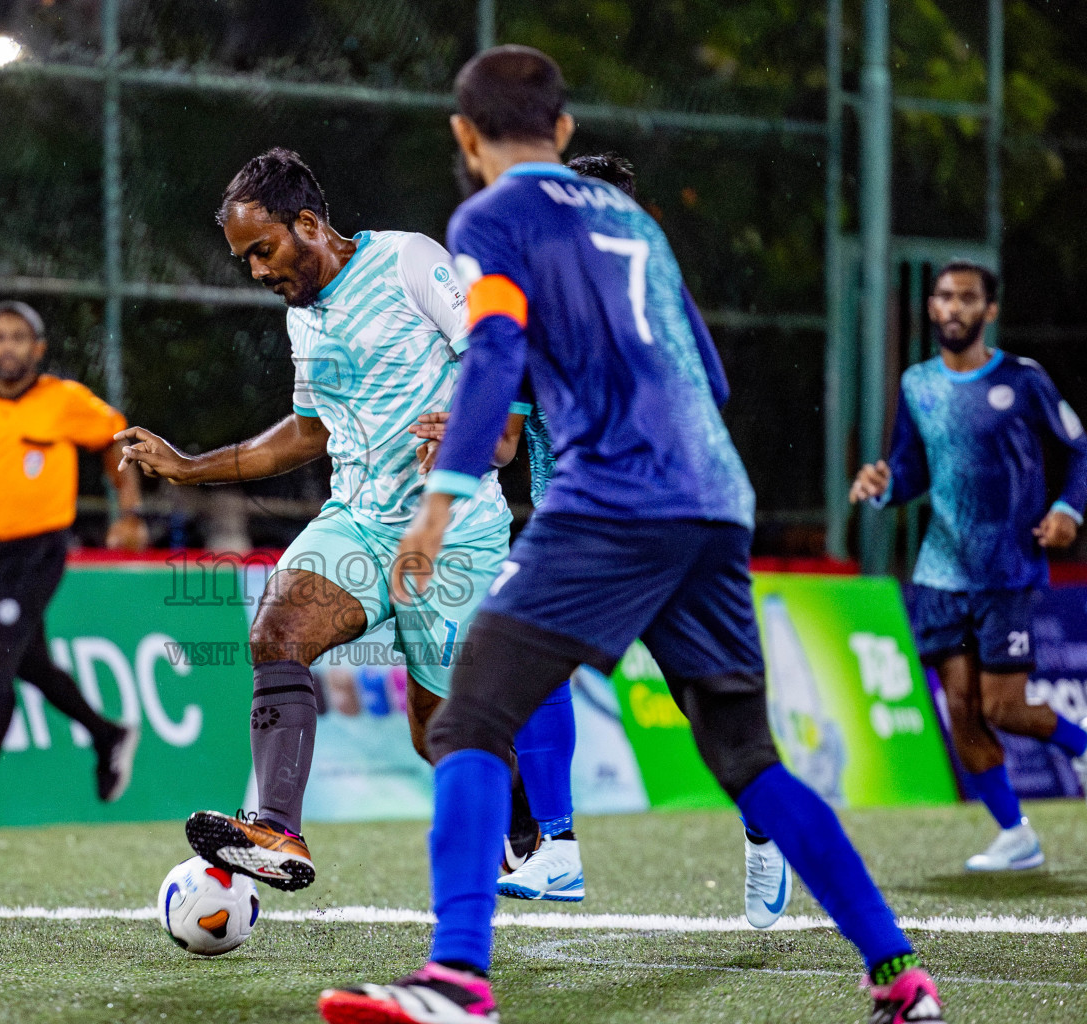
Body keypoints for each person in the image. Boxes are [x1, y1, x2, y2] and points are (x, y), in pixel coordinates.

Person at [319, 46, 942, 1024]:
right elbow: (712, 379)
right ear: (564, 130)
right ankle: (900, 975)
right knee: (746, 756)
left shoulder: (491, 217)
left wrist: (439, 498)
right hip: (714, 500)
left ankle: (456, 976)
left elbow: (493, 350)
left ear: (463, 134)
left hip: (614, 497)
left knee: (471, 715)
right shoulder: (635, 219)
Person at [116, 147, 519, 892]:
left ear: (308, 223)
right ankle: (278, 829)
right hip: (360, 524)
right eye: (244, 261)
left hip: (452, 533)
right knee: (277, 631)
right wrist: (191, 466)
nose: (258, 272)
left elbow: (496, 356)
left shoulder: (408, 262)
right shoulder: (306, 320)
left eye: (262, 251)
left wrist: (490, 435)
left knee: (441, 734)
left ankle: (527, 828)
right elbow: (309, 432)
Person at [408, 151, 792, 923]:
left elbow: (708, 387)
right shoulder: (533, 293)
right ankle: (556, 851)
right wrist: (463, 435)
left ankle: (766, 831)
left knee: (707, 703)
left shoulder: (641, 285)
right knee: (534, 666)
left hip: (656, 513)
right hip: (577, 521)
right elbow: (507, 441)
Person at [851, 261, 1087, 872]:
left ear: (989, 310)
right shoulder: (917, 385)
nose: (954, 308)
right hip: (940, 573)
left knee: (1002, 708)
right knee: (960, 710)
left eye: (967, 299)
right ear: (931, 308)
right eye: (944, 297)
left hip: (1007, 570)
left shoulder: (1023, 378)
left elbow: (1078, 448)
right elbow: (909, 470)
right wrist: (882, 483)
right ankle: (1017, 836)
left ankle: (1081, 748)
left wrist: (1068, 508)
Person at [0, 300, 147, 832]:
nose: (8, 347)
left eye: (19, 338)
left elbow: (120, 442)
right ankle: (106, 733)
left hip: (38, 549)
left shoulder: (64, 401)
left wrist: (130, 511)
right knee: (28, 663)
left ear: (38, 349)